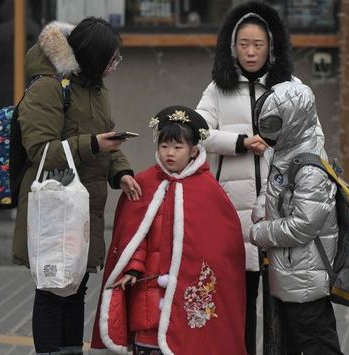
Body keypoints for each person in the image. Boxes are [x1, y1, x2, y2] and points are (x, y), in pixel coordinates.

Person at [195, 2, 326, 353]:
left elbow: (315, 139)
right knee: (239, 304)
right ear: (232, 46)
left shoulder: (291, 87)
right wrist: (239, 142)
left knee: (282, 306)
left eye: (258, 44)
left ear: (272, 46)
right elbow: (195, 132)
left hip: (280, 213)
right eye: (243, 44)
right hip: (231, 213)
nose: (250, 52)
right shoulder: (217, 89)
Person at [11, 17, 141, 355]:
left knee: (77, 286)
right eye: (111, 60)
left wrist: (122, 172)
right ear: (92, 58)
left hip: (84, 208)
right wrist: (93, 144)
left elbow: (106, 139)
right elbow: (40, 151)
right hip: (55, 207)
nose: (115, 66)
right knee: (54, 289)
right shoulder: (48, 88)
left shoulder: (96, 89)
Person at [91, 106, 247, 354]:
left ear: (194, 150)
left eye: (178, 147)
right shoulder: (143, 184)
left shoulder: (209, 191)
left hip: (188, 292)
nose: (170, 154)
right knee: (147, 339)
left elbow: (221, 250)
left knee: (187, 341)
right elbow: (134, 235)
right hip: (147, 286)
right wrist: (132, 266)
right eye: (164, 147)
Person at [250, 81, 343, 354]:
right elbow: (273, 187)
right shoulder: (288, 147)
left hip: (306, 280)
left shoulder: (310, 168)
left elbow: (304, 225)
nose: (267, 131)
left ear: (292, 120)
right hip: (292, 273)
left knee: (317, 344)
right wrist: (260, 208)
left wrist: (260, 232)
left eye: (272, 124)